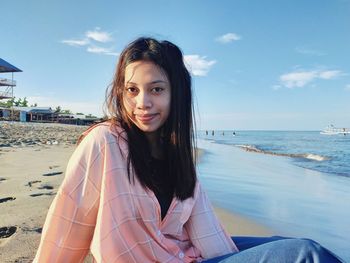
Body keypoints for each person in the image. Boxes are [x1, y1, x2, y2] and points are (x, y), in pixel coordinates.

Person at [34, 37, 345, 263]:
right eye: (132, 90)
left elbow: (207, 233)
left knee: (284, 244)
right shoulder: (106, 142)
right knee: (306, 254)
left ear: (176, 94)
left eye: (156, 89)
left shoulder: (177, 155)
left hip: (181, 255)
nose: (142, 103)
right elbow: (68, 222)